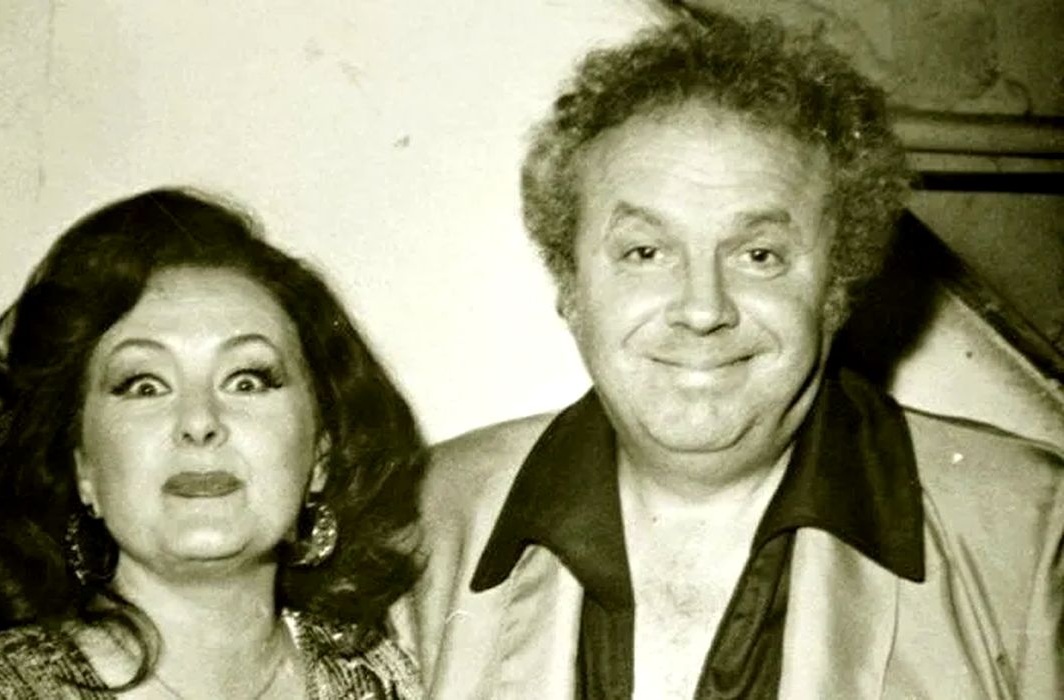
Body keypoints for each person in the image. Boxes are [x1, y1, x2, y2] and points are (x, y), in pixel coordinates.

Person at [406, 6, 1063, 699]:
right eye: (645, 252)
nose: (702, 310)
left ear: (837, 287)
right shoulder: (420, 525)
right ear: (570, 286)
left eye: (759, 255)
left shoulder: (1032, 531)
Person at [0, 188, 426, 699]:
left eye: (247, 380)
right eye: (144, 386)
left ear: (321, 455)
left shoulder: (385, 681)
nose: (200, 423)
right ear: (83, 468)